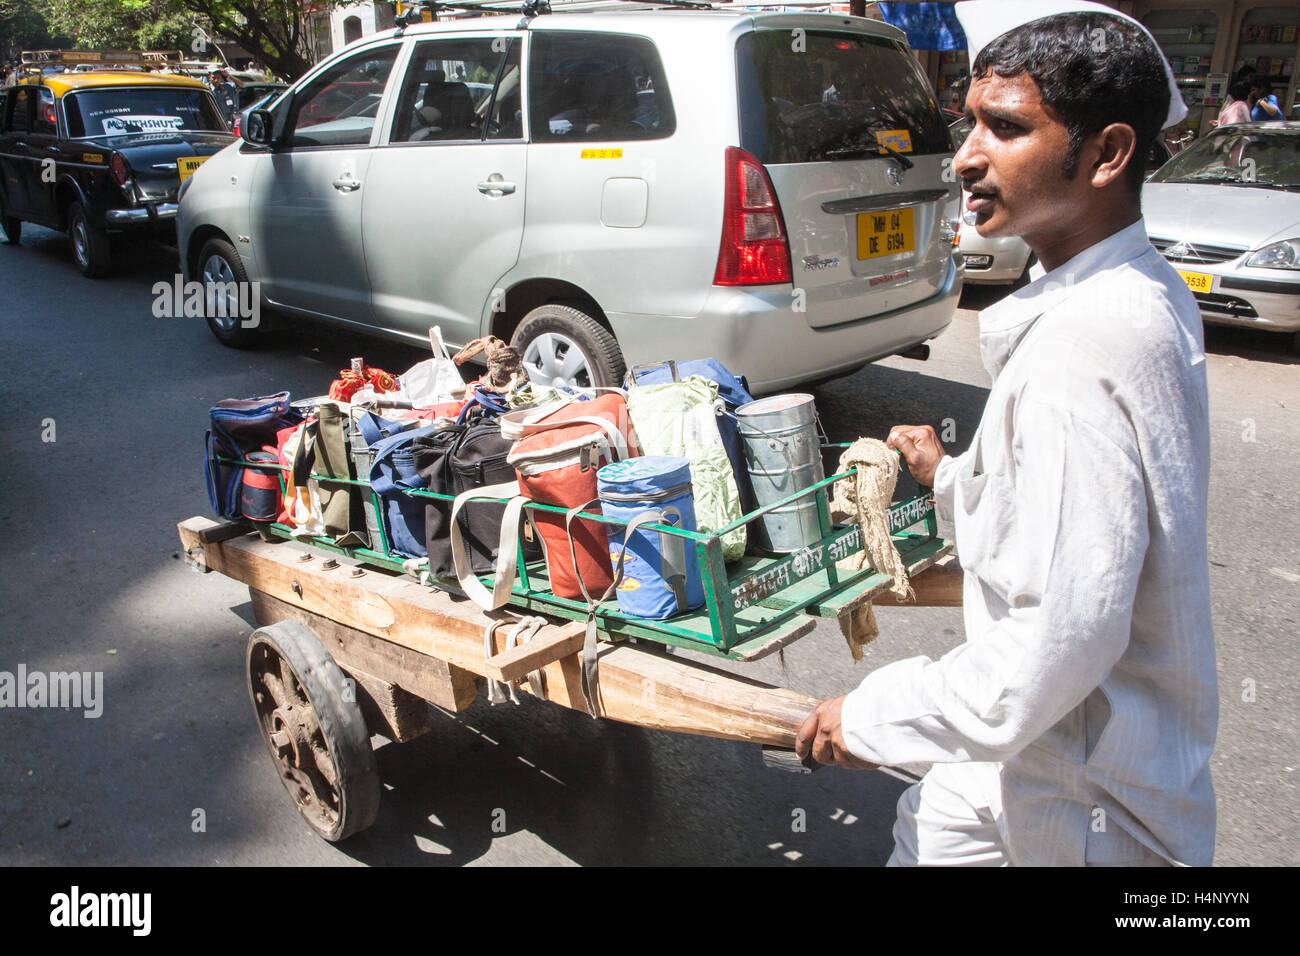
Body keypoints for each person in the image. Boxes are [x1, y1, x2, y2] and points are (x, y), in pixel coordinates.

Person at [796, 0, 1216, 867]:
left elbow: (1059, 637)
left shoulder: (1085, 341)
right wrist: (951, 478)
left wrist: (873, 714)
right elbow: (1073, 524)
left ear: (1106, 154)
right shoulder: (1138, 288)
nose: (966, 157)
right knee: (930, 828)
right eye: (970, 123)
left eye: (1007, 127)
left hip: (1084, 797)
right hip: (1017, 765)